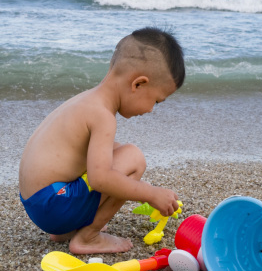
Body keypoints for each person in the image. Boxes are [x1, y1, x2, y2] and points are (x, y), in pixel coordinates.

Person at [18, 27, 184, 255]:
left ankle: (67, 230)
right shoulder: (103, 117)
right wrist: (150, 193)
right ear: (138, 84)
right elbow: (100, 179)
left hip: (39, 204)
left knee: (113, 151)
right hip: (53, 206)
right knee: (133, 157)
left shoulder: (86, 101)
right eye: (156, 101)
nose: (150, 110)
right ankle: (88, 237)